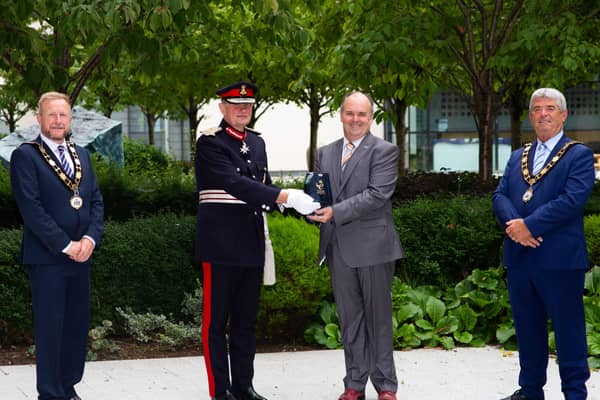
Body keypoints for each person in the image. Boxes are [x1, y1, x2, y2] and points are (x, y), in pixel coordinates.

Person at [194, 81, 319, 400]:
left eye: (247, 106)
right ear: (222, 108)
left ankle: (244, 387)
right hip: (220, 245)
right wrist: (285, 195)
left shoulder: (257, 143)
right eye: (236, 105)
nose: (242, 110)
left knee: (246, 322)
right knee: (215, 323)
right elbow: (234, 183)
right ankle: (220, 391)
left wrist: (297, 204)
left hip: (251, 242)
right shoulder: (210, 143)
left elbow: (264, 185)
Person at [492, 88, 594, 400]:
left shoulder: (578, 155)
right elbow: (500, 195)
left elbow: (572, 200)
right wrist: (514, 226)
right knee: (528, 329)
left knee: (569, 330)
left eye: (551, 108)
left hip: (560, 260)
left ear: (563, 115)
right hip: (521, 257)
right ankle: (531, 390)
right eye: (537, 109)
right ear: (530, 116)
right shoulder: (516, 156)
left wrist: (529, 225)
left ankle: (574, 393)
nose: (543, 114)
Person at [307, 91, 404, 400]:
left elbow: (378, 195)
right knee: (350, 321)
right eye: (350, 113)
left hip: (374, 248)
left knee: (378, 320)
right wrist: (311, 209)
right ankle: (354, 384)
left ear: (370, 117)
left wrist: (334, 211)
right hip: (338, 249)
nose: (356, 119)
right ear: (340, 114)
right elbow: (320, 194)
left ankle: (386, 387)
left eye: (362, 114)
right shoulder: (324, 152)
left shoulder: (385, 150)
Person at [10, 91, 104, 400]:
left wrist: (89, 239)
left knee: (76, 327)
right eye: (51, 115)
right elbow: (32, 209)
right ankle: (50, 393)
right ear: (39, 119)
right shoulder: (26, 155)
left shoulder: (83, 155)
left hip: (82, 257)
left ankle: (68, 386)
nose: (58, 120)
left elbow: (95, 202)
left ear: (70, 119)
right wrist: (66, 245)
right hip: (49, 258)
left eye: (63, 115)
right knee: (51, 328)